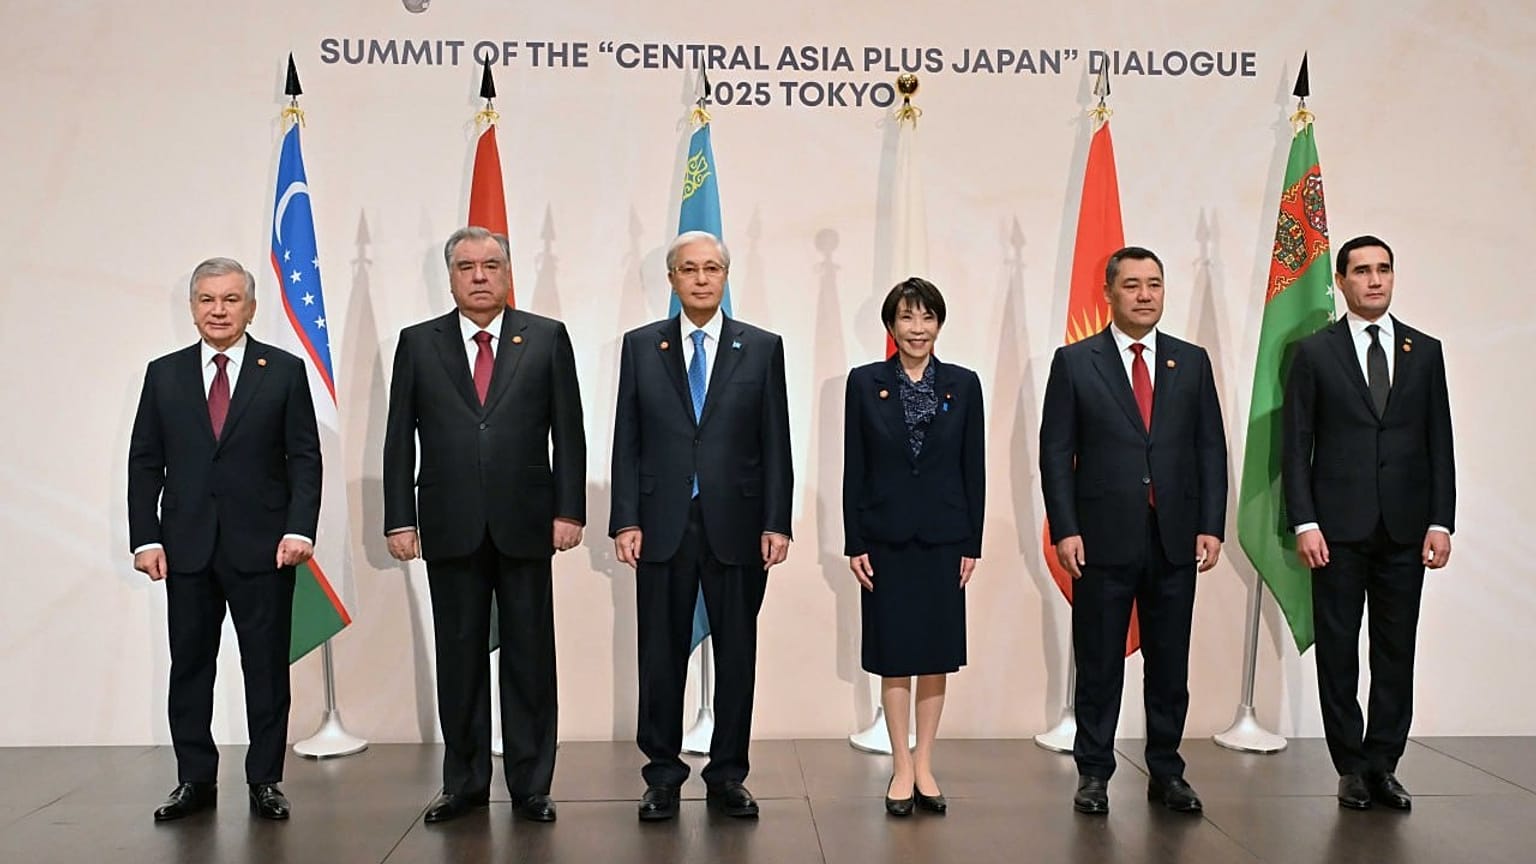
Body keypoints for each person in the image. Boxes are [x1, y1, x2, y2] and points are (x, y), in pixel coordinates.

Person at [383, 226, 586, 824]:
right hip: (449, 525)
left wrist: (568, 510)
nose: (478, 276)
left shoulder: (546, 338)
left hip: (527, 525)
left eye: (490, 265)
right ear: (449, 276)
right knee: (461, 657)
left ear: (507, 272)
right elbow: (399, 439)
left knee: (529, 658)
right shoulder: (419, 343)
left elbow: (567, 432)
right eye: (466, 266)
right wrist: (400, 517)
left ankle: (531, 785)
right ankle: (465, 784)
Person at [128, 257, 321, 822]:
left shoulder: (282, 370)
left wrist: (298, 528)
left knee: (264, 668)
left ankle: (265, 780)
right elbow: (145, 463)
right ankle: (195, 780)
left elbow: (304, 458)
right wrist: (146, 538)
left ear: (251, 307)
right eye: (207, 299)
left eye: (231, 299)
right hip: (185, 547)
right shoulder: (163, 374)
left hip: (264, 548)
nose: (218, 310)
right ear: (192, 308)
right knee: (190, 666)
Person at [610, 230, 793, 821]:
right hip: (661, 524)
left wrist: (776, 521)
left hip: (738, 525)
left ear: (725, 276)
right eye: (688, 269)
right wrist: (625, 519)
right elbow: (627, 441)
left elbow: (776, 443)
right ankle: (662, 776)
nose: (701, 278)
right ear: (671, 279)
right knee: (660, 656)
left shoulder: (761, 348)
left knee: (738, 656)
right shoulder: (642, 347)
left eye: (712, 268)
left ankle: (727, 776)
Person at [1038, 246, 1226, 816]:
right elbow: (1055, 454)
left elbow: (1210, 450)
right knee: (1098, 661)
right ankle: (1094, 773)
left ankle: (1167, 771)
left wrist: (1210, 525)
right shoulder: (1075, 362)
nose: (1145, 295)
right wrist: (1065, 529)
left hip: (1173, 537)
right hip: (1100, 538)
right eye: (1133, 285)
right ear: (1109, 292)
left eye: (1155, 285)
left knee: (1170, 664)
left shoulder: (1190, 362)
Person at [1283, 234, 1455, 811]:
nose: (1374, 280)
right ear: (1341, 281)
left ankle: (1384, 763)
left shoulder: (1424, 351)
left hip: (1406, 529)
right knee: (1338, 650)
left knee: (1395, 650)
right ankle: (1350, 766)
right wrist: (1303, 521)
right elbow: (1297, 443)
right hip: (1335, 530)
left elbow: (1440, 442)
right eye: (1362, 271)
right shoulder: (1313, 353)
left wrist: (1442, 521)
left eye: (1383, 270)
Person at [842, 277, 984, 817]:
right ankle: (900, 764)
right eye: (907, 317)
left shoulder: (964, 385)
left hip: (945, 539)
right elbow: (855, 467)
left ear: (939, 325)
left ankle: (926, 762)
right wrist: (855, 539)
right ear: (891, 325)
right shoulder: (864, 383)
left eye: (927, 318)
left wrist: (972, 540)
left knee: (935, 655)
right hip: (885, 538)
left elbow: (974, 467)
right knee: (894, 654)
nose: (917, 328)